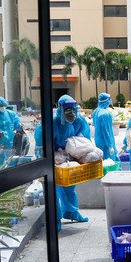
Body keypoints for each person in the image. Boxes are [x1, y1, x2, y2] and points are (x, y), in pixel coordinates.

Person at [53, 95, 89, 230]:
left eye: (73, 110)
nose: (71, 113)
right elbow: (41, 143)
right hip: (54, 159)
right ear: (60, 110)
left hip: (69, 158)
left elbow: (84, 141)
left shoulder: (79, 121)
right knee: (53, 190)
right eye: (67, 110)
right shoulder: (53, 123)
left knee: (70, 186)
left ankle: (72, 212)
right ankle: (55, 218)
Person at [0, 96, 21, 167]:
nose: (3, 107)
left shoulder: (11, 114)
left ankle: (12, 175)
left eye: (4, 105)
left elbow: (17, 125)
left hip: (10, 141)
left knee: (11, 160)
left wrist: (19, 128)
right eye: (1, 106)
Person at [92, 92, 119, 161]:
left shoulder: (96, 111)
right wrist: (110, 145)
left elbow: (97, 124)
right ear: (107, 101)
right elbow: (106, 131)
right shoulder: (105, 114)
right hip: (105, 142)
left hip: (98, 140)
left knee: (101, 160)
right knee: (109, 161)